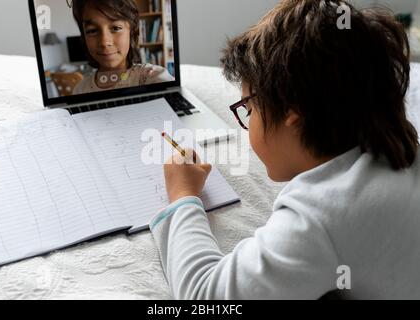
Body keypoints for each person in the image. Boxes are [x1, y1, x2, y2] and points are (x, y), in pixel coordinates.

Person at [149, 0, 420, 299]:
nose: (247, 118)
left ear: (294, 113)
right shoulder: (403, 144)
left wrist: (183, 196)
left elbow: (203, 296)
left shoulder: (320, 216)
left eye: (248, 107)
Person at [72, 0, 174, 95]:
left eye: (116, 28)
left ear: (132, 32)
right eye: (92, 30)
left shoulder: (148, 77)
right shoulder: (80, 89)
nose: (104, 42)